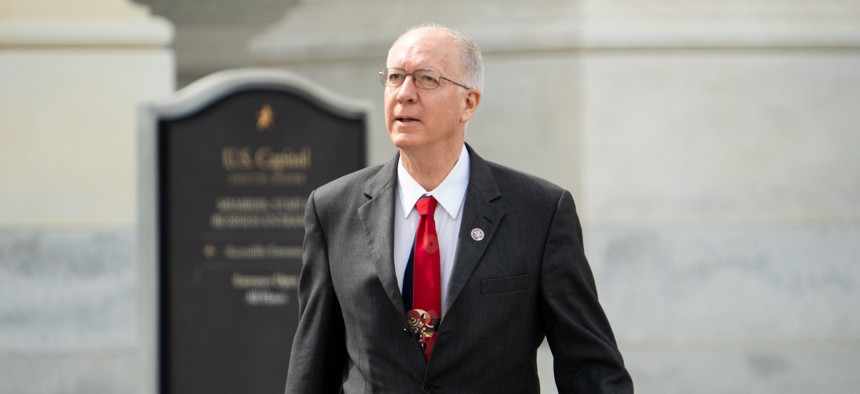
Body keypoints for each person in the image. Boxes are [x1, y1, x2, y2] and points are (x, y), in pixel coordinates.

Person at [285, 24, 633, 394]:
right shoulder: (333, 209)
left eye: (426, 79)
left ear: (469, 103)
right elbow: (312, 367)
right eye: (395, 77)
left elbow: (591, 369)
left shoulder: (540, 212)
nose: (404, 94)